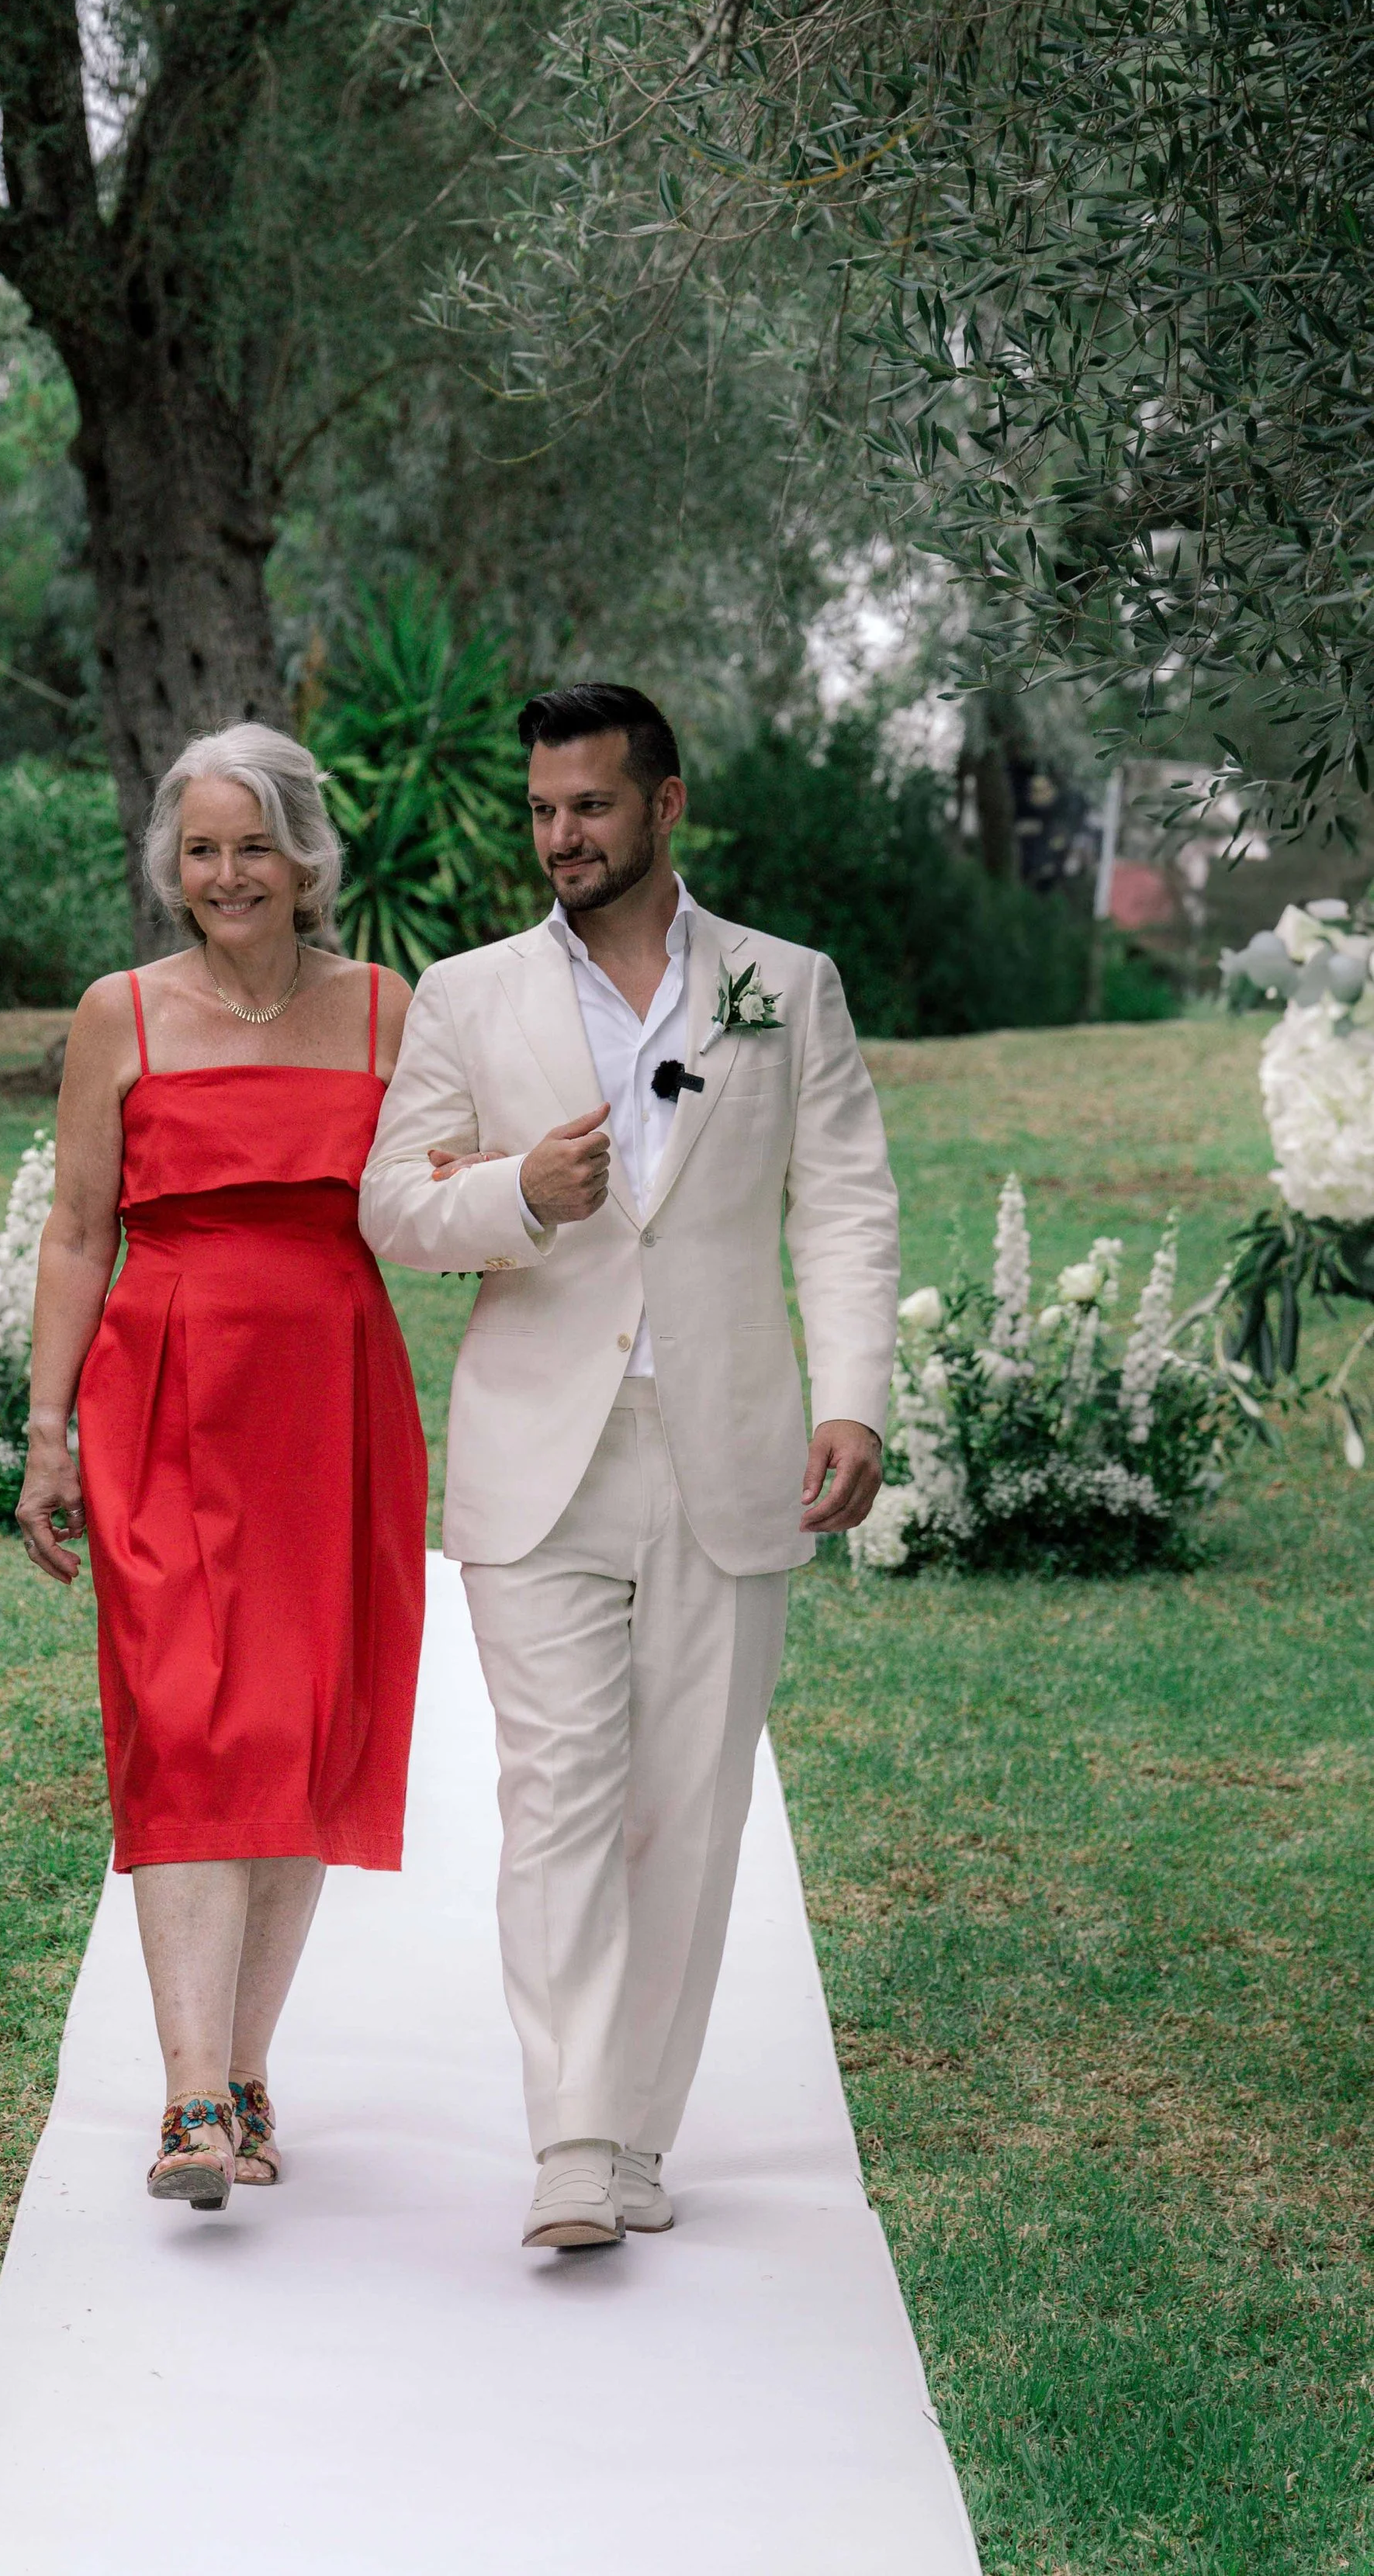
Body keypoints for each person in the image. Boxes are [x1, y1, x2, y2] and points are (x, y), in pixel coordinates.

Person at [360, 682, 898, 2252]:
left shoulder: (783, 989)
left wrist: (851, 1397)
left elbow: (844, 1205)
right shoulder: (466, 997)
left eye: (587, 807)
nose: (558, 837)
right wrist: (516, 1193)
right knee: (556, 1797)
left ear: (665, 807)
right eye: (539, 810)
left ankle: (639, 2128)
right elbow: (392, 1207)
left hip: (727, 1446)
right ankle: (573, 2140)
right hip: (540, 1453)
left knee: (685, 1806)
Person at [16, 723, 425, 2214]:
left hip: (332, 1391)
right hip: (165, 1383)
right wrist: (46, 1426)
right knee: (187, 1712)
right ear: (170, 865)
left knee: (295, 1724)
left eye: (253, 843)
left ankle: (246, 2072)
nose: (228, 872)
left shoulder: (388, 1010)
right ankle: (191, 2096)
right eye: (201, 847)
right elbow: (77, 1228)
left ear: (307, 854)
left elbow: (439, 1197)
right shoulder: (118, 1014)